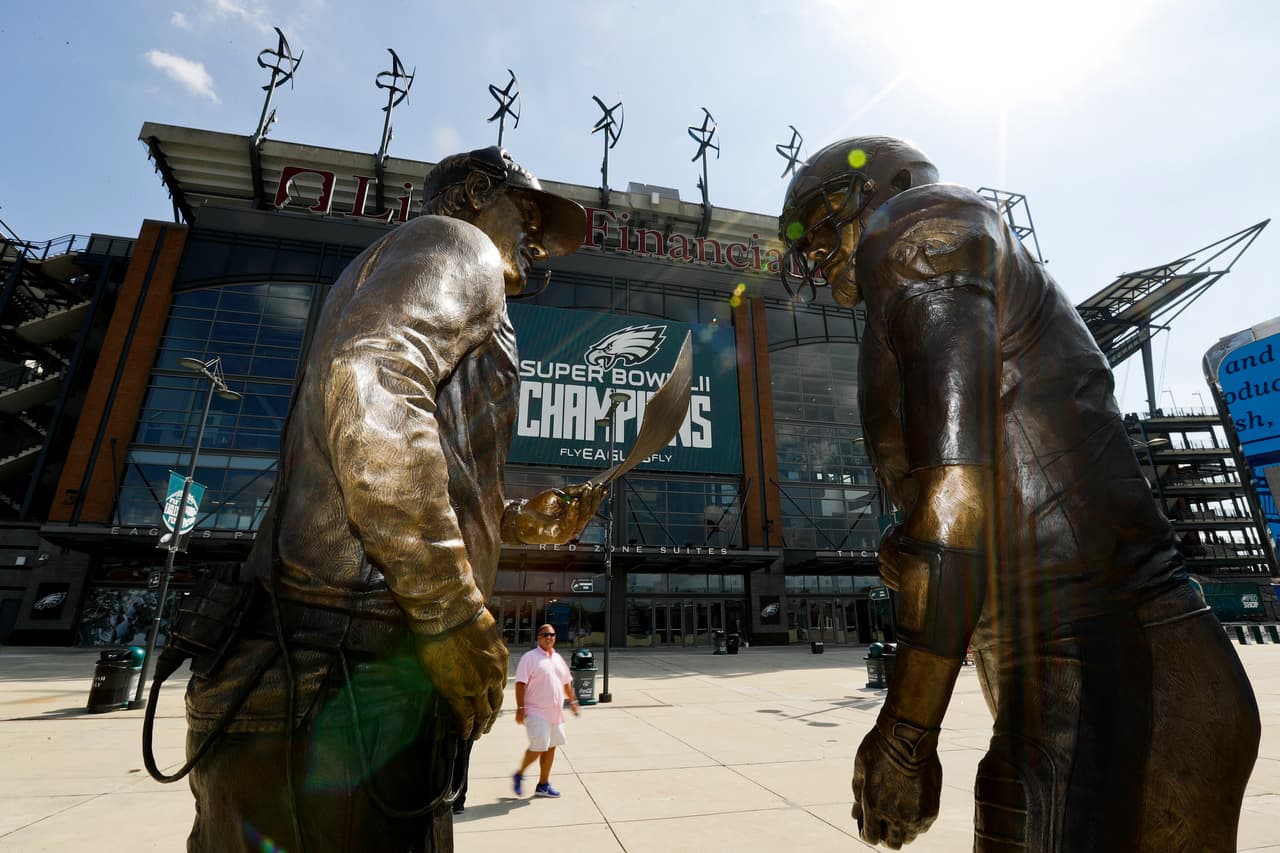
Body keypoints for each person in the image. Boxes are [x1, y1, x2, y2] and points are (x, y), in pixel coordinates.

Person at [778, 135, 1260, 851]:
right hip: (1092, 660)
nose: (812, 246)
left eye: (823, 216)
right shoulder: (912, 287)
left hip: (1109, 656)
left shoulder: (915, 230)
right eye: (798, 237)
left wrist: (908, 732)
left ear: (895, 181)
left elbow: (958, 495)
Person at [181, 147, 605, 853]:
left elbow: (398, 452)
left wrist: (511, 523)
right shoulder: (455, 243)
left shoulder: (397, 267)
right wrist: (451, 611)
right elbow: (370, 381)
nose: (533, 238)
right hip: (343, 698)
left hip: (307, 696)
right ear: (475, 192)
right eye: (525, 213)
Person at [512, 623, 580, 798]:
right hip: (535, 711)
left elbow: (566, 682)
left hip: (555, 712)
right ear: (538, 638)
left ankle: (543, 784)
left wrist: (573, 701)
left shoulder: (557, 658)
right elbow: (520, 683)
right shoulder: (530, 657)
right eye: (545, 634)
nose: (549, 637)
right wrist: (520, 708)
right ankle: (519, 773)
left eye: (552, 634)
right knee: (539, 746)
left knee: (551, 747)